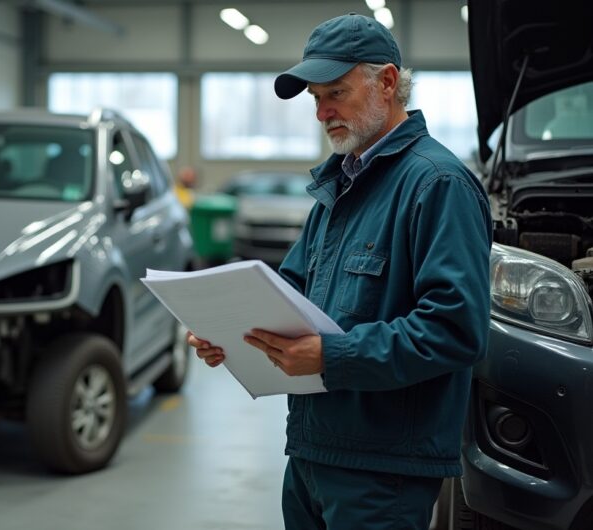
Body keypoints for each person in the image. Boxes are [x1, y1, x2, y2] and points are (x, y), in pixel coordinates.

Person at [188, 13, 492, 530]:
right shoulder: (340, 186)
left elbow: (455, 330)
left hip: (383, 469)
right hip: (311, 452)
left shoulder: (437, 185)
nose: (322, 111)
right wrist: (228, 331)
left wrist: (332, 355)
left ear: (388, 82)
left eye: (336, 92)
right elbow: (292, 291)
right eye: (315, 98)